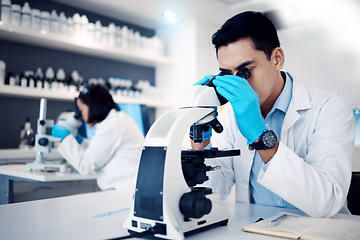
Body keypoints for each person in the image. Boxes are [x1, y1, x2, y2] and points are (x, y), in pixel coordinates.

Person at [191, 11, 355, 218]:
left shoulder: (329, 108)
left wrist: (260, 137)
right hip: (255, 230)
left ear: (277, 59)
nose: (238, 85)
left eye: (245, 71)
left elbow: (327, 201)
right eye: (227, 75)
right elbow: (215, 192)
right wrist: (200, 141)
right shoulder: (229, 117)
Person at [51, 84, 144, 191]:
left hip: (123, 191)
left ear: (92, 106)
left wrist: (66, 137)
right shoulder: (119, 119)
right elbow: (100, 151)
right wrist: (79, 140)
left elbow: (85, 166)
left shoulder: (111, 125)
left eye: (81, 110)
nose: (81, 116)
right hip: (126, 189)